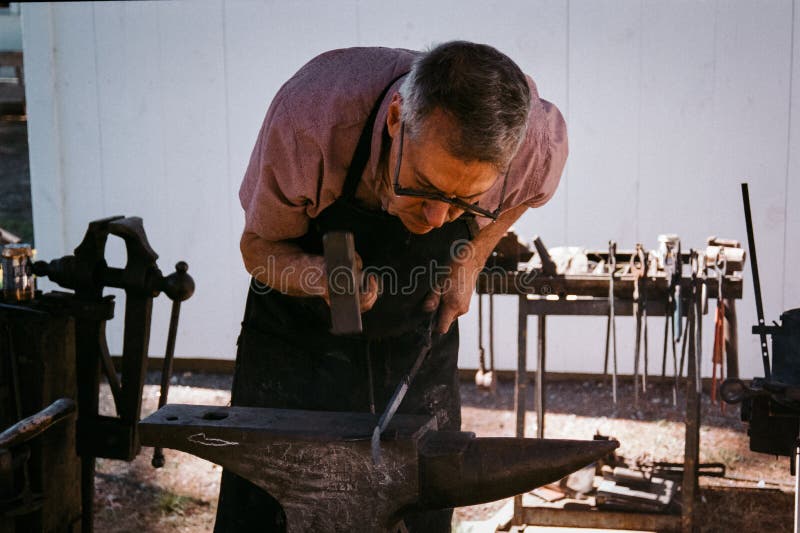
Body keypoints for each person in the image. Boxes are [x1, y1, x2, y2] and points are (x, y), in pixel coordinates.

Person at [214, 41, 568, 532]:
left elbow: (530, 191)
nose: (437, 219)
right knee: (270, 508)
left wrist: (471, 256)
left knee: (420, 499)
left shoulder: (533, 140)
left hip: (416, 340)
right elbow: (258, 250)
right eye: (425, 187)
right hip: (296, 340)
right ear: (397, 119)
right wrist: (323, 276)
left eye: (464, 200)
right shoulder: (309, 122)